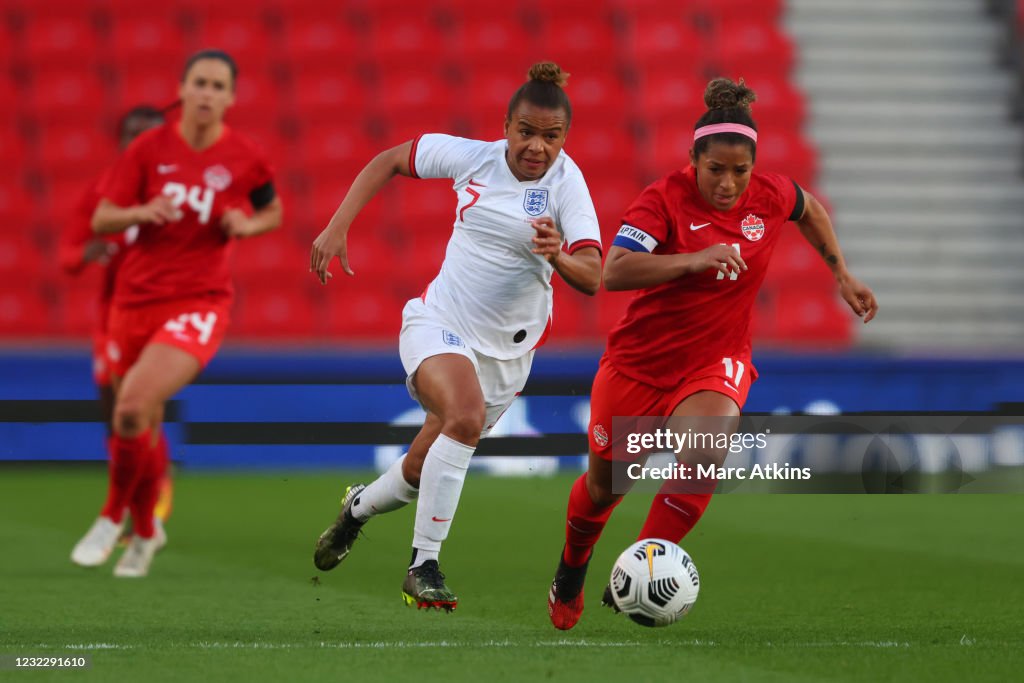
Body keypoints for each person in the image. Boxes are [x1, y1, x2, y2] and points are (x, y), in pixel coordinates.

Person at [546, 78, 879, 629]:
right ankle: (571, 567)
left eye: (739, 171)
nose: (727, 183)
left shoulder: (770, 195)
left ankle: (642, 565)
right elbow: (616, 271)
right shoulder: (662, 199)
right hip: (638, 364)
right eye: (715, 170)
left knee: (704, 451)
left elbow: (809, 207)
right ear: (693, 160)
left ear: (754, 167)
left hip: (713, 361)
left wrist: (841, 272)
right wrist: (694, 259)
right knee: (605, 489)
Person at [309, 62, 602, 612]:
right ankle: (424, 565)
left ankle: (355, 512)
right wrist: (338, 224)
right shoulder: (473, 158)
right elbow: (390, 158)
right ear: (507, 125)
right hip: (439, 324)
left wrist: (557, 253)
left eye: (551, 135)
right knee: (463, 415)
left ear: (565, 136)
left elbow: (593, 275)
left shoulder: (569, 186)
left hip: (507, 358)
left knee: (422, 468)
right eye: (526, 131)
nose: (536, 146)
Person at [71, 49, 283, 578]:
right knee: (137, 419)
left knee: (130, 408)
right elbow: (101, 215)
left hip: (198, 301)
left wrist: (246, 225)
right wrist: (141, 211)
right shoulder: (147, 150)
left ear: (231, 97)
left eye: (218, 86)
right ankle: (146, 531)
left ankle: (110, 516)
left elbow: (272, 210)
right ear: (182, 89)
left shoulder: (245, 157)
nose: (208, 93)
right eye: (199, 83)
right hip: (133, 301)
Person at [63, 105, 175, 562]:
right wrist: (88, 252)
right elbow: (67, 258)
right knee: (119, 419)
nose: (138, 143)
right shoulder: (103, 195)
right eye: (131, 135)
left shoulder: (176, 197)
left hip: (160, 317)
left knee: (144, 411)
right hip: (113, 321)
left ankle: (147, 515)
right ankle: (135, 510)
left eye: (147, 136)